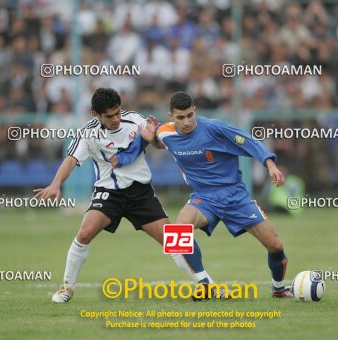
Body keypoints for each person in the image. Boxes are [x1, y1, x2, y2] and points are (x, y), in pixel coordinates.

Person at [34, 88, 219, 303]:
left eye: (117, 113)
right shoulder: (88, 133)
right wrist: (56, 184)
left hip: (141, 193)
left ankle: (207, 284)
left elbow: (158, 143)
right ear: (96, 114)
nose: (115, 119)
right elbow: (71, 159)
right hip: (109, 193)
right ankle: (67, 288)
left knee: (174, 240)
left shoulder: (135, 120)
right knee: (85, 233)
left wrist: (154, 139)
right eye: (109, 116)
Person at [113, 92, 293, 298]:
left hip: (235, 195)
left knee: (275, 245)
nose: (187, 121)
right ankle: (205, 285)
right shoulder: (165, 132)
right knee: (178, 233)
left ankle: (278, 289)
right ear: (171, 116)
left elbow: (248, 141)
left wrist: (270, 165)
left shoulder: (215, 128)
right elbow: (157, 140)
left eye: (190, 115)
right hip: (204, 197)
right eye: (180, 117)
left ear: (195, 110)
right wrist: (137, 148)